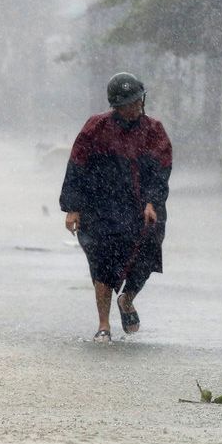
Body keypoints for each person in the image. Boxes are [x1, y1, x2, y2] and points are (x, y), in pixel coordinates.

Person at [60, 72, 172, 342]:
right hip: (101, 207)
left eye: (137, 102)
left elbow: (161, 170)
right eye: (127, 104)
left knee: (145, 256)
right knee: (101, 262)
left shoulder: (154, 131)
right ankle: (103, 324)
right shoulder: (95, 128)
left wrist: (152, 201)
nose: (134, 108)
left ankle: (128, 298)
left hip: (142, 208)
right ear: (115, 105)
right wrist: (73, 207)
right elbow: (77, 166)